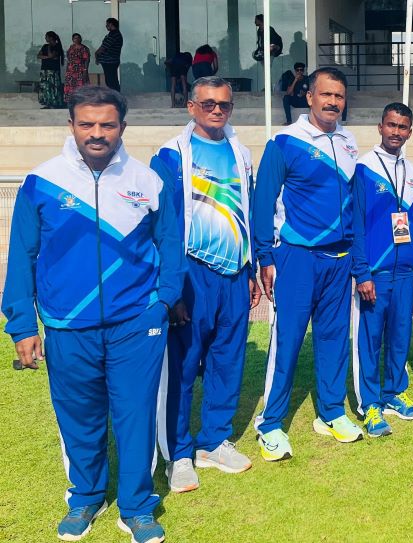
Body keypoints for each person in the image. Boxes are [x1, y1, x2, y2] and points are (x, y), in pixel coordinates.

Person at [2, 85, 183, 542]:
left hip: (136, 325)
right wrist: (23, 325)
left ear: (123, 127)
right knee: (79, 416)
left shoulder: (148, 181)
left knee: (136, 414)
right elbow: (21, 256)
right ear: (71, 126)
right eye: (87, 124)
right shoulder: (42, 182)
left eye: (107, 124)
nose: (97, 133)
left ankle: (138, 506)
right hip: (67, 326)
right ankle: (85, 497)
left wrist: (162, 302)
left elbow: (170, 245)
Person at [151, 76, 261, 493]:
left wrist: (249, 268)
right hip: (192, 273)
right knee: (181, 366)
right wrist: (172, 287)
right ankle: (178, 454)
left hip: (234, 271)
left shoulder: (241, 153)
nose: (218, 110)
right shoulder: (170, 155)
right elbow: (162, 226)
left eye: (225, 105)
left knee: (228, 361)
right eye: (209, 103)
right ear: (191, 107)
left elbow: (245, 212)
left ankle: (214, 440)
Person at [253, 67, 361, 456]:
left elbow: (354, 206)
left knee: (334, 339)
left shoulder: (350, 143)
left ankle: (330, 413)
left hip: (339, 259)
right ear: (310, 97)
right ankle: (271, 423)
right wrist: (264, 255)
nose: (333, 102)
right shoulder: (285, 141)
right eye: (326, 94)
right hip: (296, 258)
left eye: (339, 96)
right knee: (288, 341)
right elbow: (263, 200)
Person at [350, 102, 413, 437]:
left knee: (400, 336)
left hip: (405, 270)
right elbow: (356, 225)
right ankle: (370, 405)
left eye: (403, 127)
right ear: (380, 127)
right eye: (392, 125)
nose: (397, 132)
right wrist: (362, 272)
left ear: (410, 132)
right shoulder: (363, 169)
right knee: (371, 339)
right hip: (375, 273)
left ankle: (394, 392)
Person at [37, 31, 65, 109]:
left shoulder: (57, 46)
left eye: (46, 37)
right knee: (46, 87)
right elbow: (38, 55)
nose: (45, 38)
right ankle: (47, 103)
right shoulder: (44, 46)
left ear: (51, 37)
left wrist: (49, 47)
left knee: (53, 86)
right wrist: (47, 57)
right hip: (44, 69)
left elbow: (51, 55)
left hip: (53, 70)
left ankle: (55, 103)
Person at [95, 17, 123, 92]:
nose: (106, 26)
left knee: (111, 82)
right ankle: (115, 97)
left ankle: (115, 98)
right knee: (111, 81)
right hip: (110, 62)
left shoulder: (114, 35)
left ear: (111, 24)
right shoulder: (113, 34)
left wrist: (96, 54)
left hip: (110, 62)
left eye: (107, 24)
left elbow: (103, 48)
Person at [64, 33, 90, 103]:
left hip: (80, 69)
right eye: (75, 38)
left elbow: (87, 60)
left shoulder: (84, 48)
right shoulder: (71, 47)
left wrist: (85, 70)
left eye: (79, 38)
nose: (77, 39)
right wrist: (67, 69)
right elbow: (68, 59)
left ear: (81, 39)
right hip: (70, 70)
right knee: (70, 85)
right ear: (72, 39)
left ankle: (81, 101)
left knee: (80, 85)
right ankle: (71, 101)